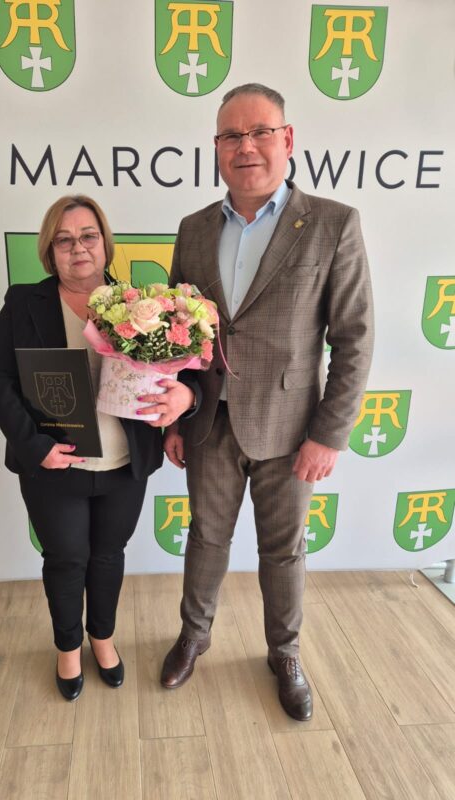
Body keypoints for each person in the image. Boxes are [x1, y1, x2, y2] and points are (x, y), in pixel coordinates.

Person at [160, 83, 374, 721]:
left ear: (288, 139)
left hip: (292, 429)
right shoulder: (194, 229)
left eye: (259, 132)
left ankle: (285, 653)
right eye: (231, 135)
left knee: (284, 550)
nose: (245, 146)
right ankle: (194, 636)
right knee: (206, 537)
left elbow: (354, 338)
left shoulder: (333, 223)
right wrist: (175, 417)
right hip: (208, 421)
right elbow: (179, 334)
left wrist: (329, 435)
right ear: (216, 147)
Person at [0, 195, 195, 701]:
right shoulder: (23, 304)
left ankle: (103, 638)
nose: (78, 247)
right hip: (54, 464)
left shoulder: (143, 306)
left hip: (125, 462)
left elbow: (178, 372)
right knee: (66, 558)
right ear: (49, 250)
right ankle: (68, 647)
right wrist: (34, 446)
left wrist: (182, 399)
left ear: (105, 243)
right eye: (64, 239)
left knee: (108, 556)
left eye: (88, 236)